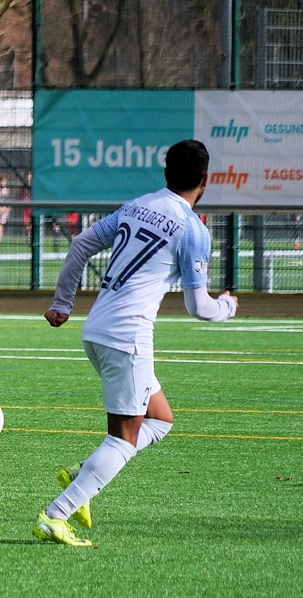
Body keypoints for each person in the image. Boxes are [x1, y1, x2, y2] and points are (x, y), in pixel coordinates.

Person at [33, 139, 237, 547]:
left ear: (166, 173)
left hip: (97, 330)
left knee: (159, 420)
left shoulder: (137, 206)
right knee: (123, 439)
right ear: (205, 180)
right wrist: (228, 306)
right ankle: (56, 514)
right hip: (127, 337)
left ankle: (83, 474)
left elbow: (81, 244)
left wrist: (62, 303)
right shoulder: (193, 229)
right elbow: (199, 307)